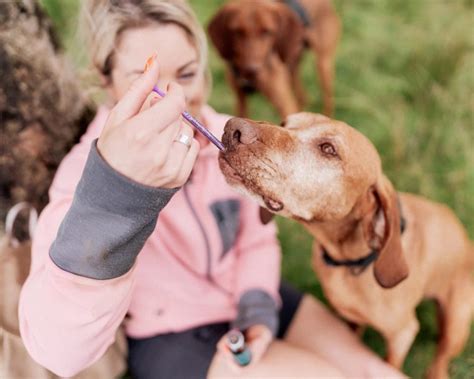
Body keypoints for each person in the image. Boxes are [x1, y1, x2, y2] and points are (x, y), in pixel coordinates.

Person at [19, 1, 404, 378]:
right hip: (173, 335)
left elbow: (256, 236)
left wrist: (256, 303)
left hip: (253, 292)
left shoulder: (228, 138)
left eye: (186, 75)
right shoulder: (83, 178)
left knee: (372, 370)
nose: (177, 100)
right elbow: (59, 353)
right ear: (105, 79)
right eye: (147, 82)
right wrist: (117, 196)